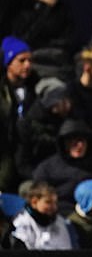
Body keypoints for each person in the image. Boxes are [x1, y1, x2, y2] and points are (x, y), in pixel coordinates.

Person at [1, 36, 38, 192]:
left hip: (30, 155)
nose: (27, 65)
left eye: (30, 60)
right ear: (8, 63)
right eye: (21, 61)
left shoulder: (37, 89)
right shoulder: (3, 92)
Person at [12, 181, 76, 250]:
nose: (54, 207)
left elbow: (66, 250)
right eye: (48, 202)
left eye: (55, 202)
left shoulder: (60, 221)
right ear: (34, 202)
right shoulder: (21, 222)